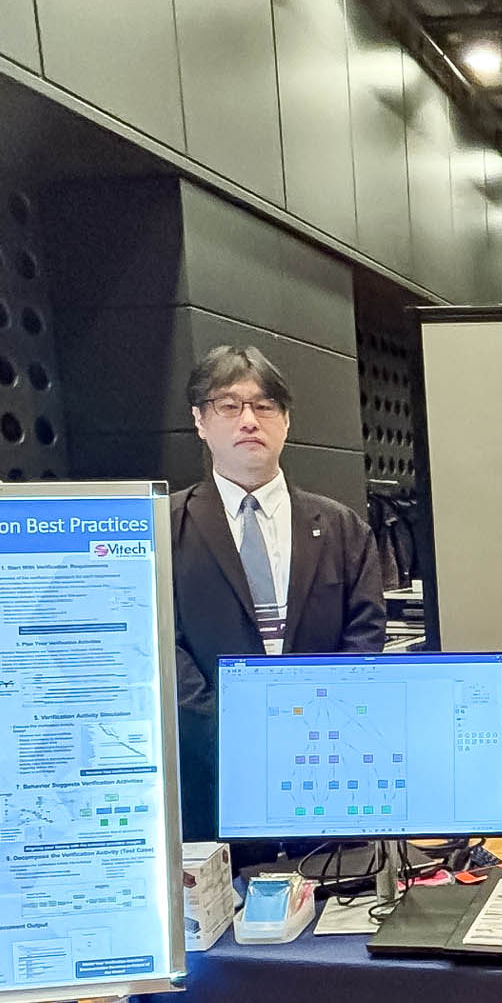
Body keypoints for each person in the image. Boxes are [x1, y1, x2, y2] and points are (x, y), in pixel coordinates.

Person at [172, 344, 389, 841]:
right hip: (214, 775)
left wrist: (310, 728)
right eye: (229, 406)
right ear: (200, 421)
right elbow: (164, 646)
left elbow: (364, 636)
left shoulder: (341, 528)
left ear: (286, 421)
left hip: (324, 762)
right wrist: (232, 732)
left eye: (264, 406)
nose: (249, 420)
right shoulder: (166, 529)